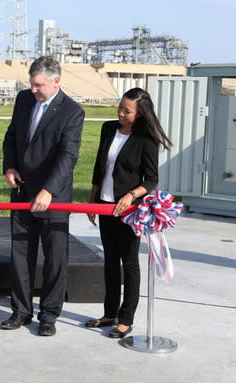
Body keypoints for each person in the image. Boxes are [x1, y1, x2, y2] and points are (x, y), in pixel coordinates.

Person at [1, 56, 84, 336]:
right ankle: (21, 311)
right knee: (21, 254)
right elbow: (11, 136)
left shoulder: (72, 112)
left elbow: (67, 156)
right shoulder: (24, 100)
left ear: (56, 81)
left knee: (54, 258)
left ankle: (48, 315)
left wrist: (49, 190)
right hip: (22, 191)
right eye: (32, 84)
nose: (33, 89)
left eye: (39, 85)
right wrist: (9, 165)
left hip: (54, 197)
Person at [84, 87, 171, 338]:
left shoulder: (146, 139)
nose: (121, 113)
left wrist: (131, 195)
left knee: (129, 263)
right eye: (120, 108)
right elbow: (99, 167)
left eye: (127, 111)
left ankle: (126, 318)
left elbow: (151, 180)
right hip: (104, 205)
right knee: (110, 261)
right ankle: (109, 313)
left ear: (140, 114)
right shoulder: (108, 129)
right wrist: (93, 198)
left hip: (129, 210)